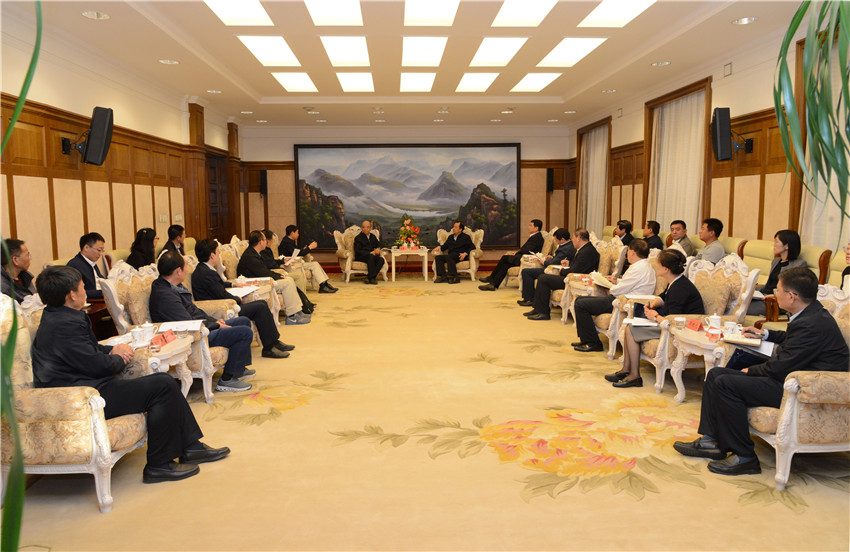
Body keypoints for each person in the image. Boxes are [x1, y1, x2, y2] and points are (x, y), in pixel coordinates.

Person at [31, 265, 230, 483]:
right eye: (81, 287)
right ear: (71, 295)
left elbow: (89, 351)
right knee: (162, 386)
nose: (85, 291)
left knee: (163, 382)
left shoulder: (60, 317)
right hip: (82, 398)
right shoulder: (63, 326)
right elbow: (98, 365)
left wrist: (112, 350)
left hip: (90, 386)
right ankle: (159, 465)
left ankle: (191, 448)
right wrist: (119, 358)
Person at [673, 268, 848, 476]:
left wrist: (751, 370)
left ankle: (745, 457)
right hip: (792, 378)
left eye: (778, 290)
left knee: (726, 383)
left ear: (791, 296)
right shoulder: (812, 313)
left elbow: (781, 366)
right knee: (715, 374)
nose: (775, 293)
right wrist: (765, 334)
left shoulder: (812, 324)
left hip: (803, 389)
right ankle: (711, 441)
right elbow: (792, 339)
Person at [149, 251, 255, 392]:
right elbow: (187, 322)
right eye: (185, 267)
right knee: (244, 332)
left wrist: (215, 321)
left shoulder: (173, 286)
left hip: (200, 327)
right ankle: (227, 380)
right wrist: (215, 325)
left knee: (244, 321)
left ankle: (238, 367)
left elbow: (194, 311)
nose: (187, 270)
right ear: (178, 271)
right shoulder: (165, 296)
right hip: (192, 337)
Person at [606, 249, 704, 387]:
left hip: (680, 330)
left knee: (630, 330)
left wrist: (655, 316)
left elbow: (674, 320)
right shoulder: (676, 281)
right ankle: (626, 370)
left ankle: (634, 376)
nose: (656, 266)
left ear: (666, 268)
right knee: (629, 326)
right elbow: (664, 296)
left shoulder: (680, 288)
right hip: (668, 323)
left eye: (658, 264)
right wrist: (655, 302)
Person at [191, 239, 293, 359]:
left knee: (261, 305)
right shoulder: (207, 273)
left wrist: (233, 284)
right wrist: (238, 298)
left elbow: (217, 285)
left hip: (224, 303)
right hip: (221, 308)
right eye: (218, 252)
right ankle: (269, 347)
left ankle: (273, 342)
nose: (219, 255)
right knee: (260, 306)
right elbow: (221, 294)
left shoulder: (203, 269)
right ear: (212, 255)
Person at [573, 239, 657, 352]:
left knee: (581, 304)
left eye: (628, 251)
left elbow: (619, 290)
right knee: (580, 300)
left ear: (632, 252)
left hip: (624, 302)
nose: (627, 254)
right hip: (623, 299)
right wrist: (616, 281)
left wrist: (609, 287)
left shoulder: (638, 268)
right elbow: (629, 284)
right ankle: (586, 339)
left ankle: (594, 343)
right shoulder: (643, 265)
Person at [237, 231, 312, 324]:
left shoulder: (255, 253)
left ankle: (297, 312)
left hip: (261, 279)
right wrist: (279, 277)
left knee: (289, 279)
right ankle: (292, 317)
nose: (267, 242)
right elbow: (264, 273)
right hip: (254, 283)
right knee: (287, 282)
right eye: (265, 240)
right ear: (260, 242)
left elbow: (265, 270)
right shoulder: (250, 256)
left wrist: (279, 276)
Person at [525, 228, 600, 321]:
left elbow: (575, 270)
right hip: (573, 278)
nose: (572, 240)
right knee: (543, 278)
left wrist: (562, 270)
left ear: (578, 238)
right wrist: (569, 263)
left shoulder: (586, 251)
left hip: (577, 281)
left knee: (543, 278)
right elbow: (578, 266)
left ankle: (543, 312)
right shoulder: (586, 249)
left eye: (573, 238)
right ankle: (538, 309)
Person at [747, 229, 806, 316]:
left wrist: (775, 295)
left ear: (787, 246)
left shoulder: (799, 264)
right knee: (735, 302)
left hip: (776, 302)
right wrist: (751, 289)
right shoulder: (776, 261)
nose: (773, 245)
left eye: (776, 242)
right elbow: (769, 285)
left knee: (739, 308)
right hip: (763, 296)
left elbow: (794, 290)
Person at [478, 219, 545, 291]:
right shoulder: (535, 236)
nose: (529, 227)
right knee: (505, 265)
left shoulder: (537, 237)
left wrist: (517, 252)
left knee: (504, 258)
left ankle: (491, 278)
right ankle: (493, 285)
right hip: (523, 256)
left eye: (530, 225)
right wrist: (518, 252)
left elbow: (528, 250)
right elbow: (527, 248)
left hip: (527, 259)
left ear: (536, 228)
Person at [517, 228, 574, 304]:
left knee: (526, 272)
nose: (556, 242)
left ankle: (530, 299)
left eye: (556, 240)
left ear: (562, 239)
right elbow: (559, 258)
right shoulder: (567, 245)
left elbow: (556, 262)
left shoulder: (566, 247)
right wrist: (552, 257)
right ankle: (529, 298)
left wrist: (544, 262)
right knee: (527, 271)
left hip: (554, 270)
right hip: (552, 267)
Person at [275, 226, 338, 293]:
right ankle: (323, 286)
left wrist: (304, 250)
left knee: (315, 263)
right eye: (297, 233)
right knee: (314, 265)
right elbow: (297, 254)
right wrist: (310, 247)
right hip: (290, 265)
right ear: (292, 233)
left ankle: (324, 284)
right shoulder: (286, 242)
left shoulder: (290, 241)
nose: (298, 234)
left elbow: (296, 252)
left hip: (295, 263)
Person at [66, 232, 107, 300]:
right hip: (91, 301)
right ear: (86, 248)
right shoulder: (74, 265)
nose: (101, 254)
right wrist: (103, 293)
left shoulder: (91, 262)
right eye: (99, 250)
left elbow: (100, 280)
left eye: (102, 251)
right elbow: (76, 293)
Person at [1, 238, 36, 302]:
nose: (30, 259)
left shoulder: (24, 276)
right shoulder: (3, 287)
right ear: (15, 260)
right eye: (27, 255)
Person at [353, 220, 385, 285]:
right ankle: (372, 278)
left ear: (370, 228)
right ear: (361, 228)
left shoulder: (373, 236)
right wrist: (370, 253)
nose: (365, 229)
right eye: (364, 227)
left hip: (371, 256)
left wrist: (378, 248)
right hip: (361, 256)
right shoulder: (358, 238)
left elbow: (378, 244)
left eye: (367, 227)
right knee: (371, 256)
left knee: (381, 260)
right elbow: (358, 250)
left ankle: (370, 277)